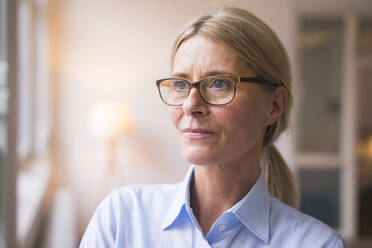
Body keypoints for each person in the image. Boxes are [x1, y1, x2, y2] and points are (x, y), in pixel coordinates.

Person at [80, 7, 346, 247]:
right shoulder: (122, 218)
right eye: (181, 85)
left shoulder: (317, 243)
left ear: (274, 105)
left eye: (219, 83)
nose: (190, 105)